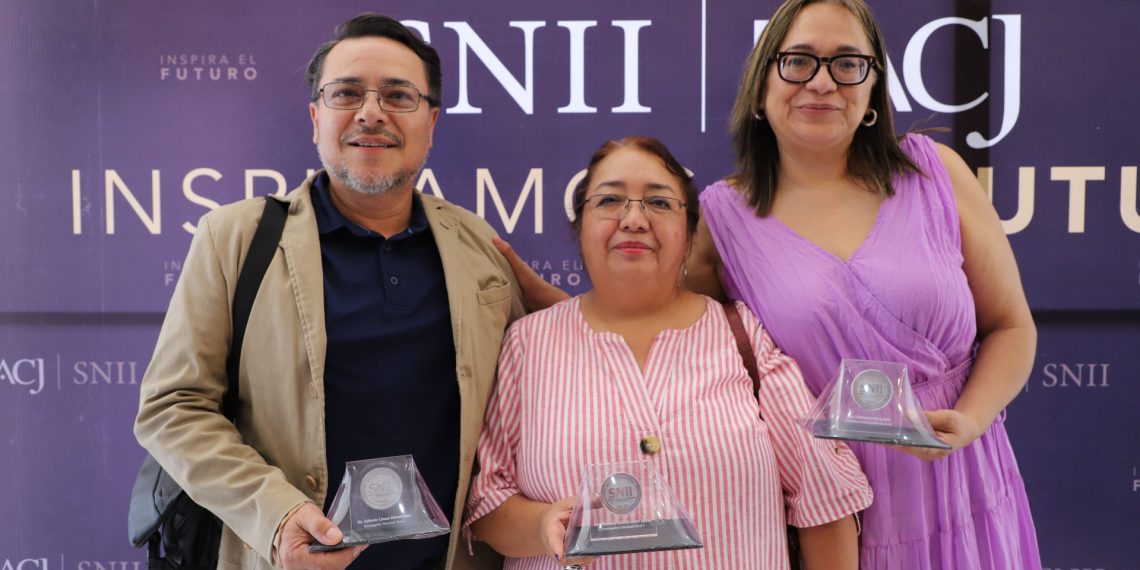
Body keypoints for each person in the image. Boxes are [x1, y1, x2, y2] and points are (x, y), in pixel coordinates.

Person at [134, 13, 523, 570]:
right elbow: (173, 408)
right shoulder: (236, 239)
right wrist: (278, 516)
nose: (371, 112)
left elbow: (542, 385)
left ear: (431, 121)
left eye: (398, 95)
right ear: (316, 116)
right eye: (347, 93)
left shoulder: (477, 245)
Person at [685, 1, 1042, 568]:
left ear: (873, 90)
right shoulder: (720, 220)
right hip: (834, 518)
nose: (822, 82)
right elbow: (675, 356)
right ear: (760, 85)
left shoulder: (936, 173)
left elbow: (1011, 327)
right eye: (799, 60)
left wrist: (971, 419)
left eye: (848, 63)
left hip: (965, 485)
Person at [465, 136, 873, 570]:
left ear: (689, 234)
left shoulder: (741, 336)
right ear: (580, 226)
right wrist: (544, 522)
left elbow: (824, 500)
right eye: (610, 200)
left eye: (659, 203)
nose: (633, 219)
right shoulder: (528, 344)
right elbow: (489, 500)